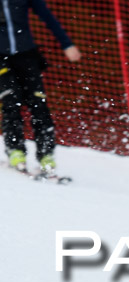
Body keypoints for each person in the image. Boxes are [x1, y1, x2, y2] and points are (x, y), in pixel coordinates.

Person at [1, 0, 81, 173]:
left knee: (38, 103)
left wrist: (66, 44)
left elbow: (47, 16)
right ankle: (15, 150)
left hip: (27, 55)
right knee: (11, 101)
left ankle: (46, 154)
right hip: (1, 58)